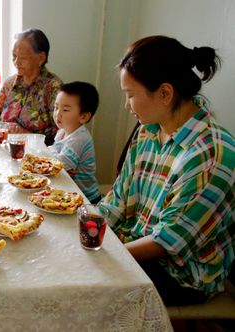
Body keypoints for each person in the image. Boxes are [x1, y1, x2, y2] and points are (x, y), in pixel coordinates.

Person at [100, 35, 234, 306]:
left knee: (88, 290)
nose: (127, 106)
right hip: (137, 241)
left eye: (130, 95)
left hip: (181, 273)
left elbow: (168, 240)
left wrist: (105, 256)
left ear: (164, 93)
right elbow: (117, 200)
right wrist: (88, 228)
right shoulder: (149, 131)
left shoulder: (211, 154)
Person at [0, 28, 62, 145]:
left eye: (22, 57)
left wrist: (26, 135)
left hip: (36, 156)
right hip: (6, 149)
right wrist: (3, 128)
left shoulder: (53, 88)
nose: (16, 62)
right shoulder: (10, 83)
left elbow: (62, 132)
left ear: (41, 58)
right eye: (14, 56)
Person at [48, 82, 101, 203]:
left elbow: (59, 165)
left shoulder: (79, 138)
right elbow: (53, 155)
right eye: (56, 107)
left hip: (85, 197)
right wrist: (56, 159)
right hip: (69, 191)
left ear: (83, 117)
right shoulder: (62, 131)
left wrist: (58, 160)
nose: (57, 113)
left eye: (65, 109)